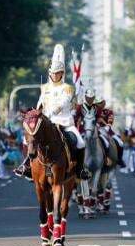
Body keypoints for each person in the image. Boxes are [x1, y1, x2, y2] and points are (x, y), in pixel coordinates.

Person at [14, 44, 90, 180]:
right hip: (45, 122)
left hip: (64, 121)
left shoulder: (67, 88)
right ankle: (26, 165)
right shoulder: (45, 88)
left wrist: (53, 112)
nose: (55, 75)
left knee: (80, 142)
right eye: (53, 73)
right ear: (50, 73)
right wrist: (36, 113)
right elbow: (40, 103)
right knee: (28, 141)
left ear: (62, 73)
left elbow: (64, 102)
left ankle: (80, 169)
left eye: (58, 73)